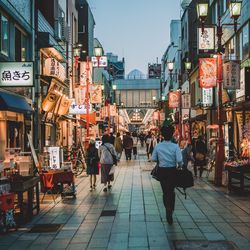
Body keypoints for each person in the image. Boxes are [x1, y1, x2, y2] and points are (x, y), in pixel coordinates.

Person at [151, 125, 183, 225]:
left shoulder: (158, 146)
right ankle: (171, 208)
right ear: (172, 134)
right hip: (173, 171)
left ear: (162, 135)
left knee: (165, 191)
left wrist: (162, 159)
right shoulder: (175, 146)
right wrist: (180, 166)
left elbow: (153, 159)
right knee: (171, 190)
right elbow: (180, 160)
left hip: (162, 171)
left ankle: (167, 209)